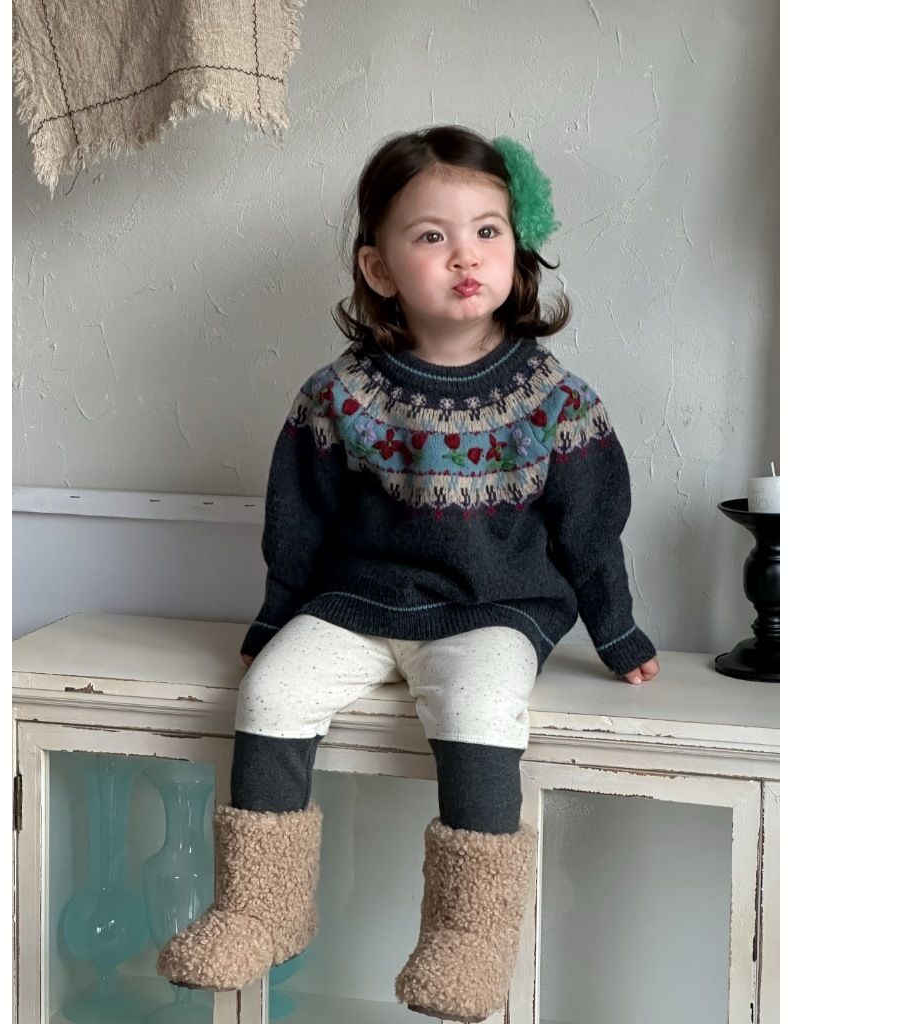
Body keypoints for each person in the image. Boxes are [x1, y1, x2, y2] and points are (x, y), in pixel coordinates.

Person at [157, 125, 660, 1022]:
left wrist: (617, 633)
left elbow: (591, 531)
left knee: (482, 707)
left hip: (494, 609)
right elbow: (298, 523)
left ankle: (469, 933)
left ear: (518, 251)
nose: (465, 254)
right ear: (379, 268)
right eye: (432, 235)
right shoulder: (340, 394)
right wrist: (274, 621)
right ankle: (261, 907)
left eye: (487, 231)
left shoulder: (555, 399)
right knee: (271, 692)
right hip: (356, 603)